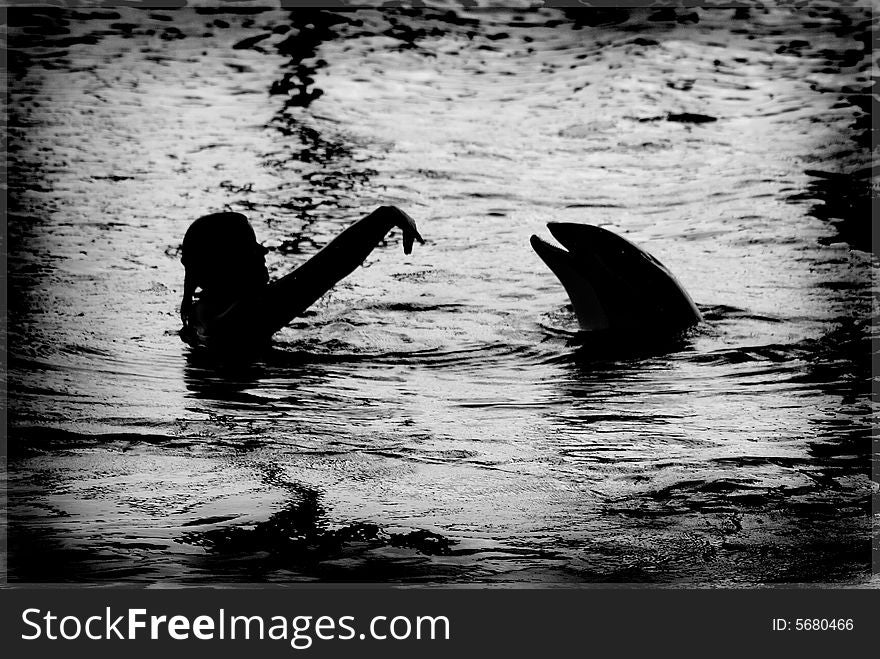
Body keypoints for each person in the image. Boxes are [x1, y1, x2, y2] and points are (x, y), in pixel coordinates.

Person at [179, 205, 424, 350]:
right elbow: (323, 270)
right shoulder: (243, 318)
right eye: (249, 246)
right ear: (225, 263)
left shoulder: (202, 312)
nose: (263, 251)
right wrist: (385, 216)